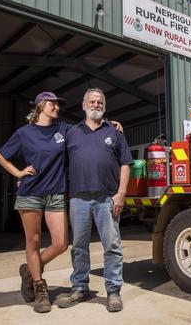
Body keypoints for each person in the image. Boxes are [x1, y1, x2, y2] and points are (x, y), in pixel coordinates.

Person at [58, 88, 133, 312]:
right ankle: (80, 288)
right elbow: (56, 160)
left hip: (107, 198)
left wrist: (121, 193)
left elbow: (126, 163)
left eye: (100, 102)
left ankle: (113, 291)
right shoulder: (71, 132)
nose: (96, 104)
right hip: (78, 198)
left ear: (104, 106)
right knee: (79, 246)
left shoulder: (115, 131)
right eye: (92, 101)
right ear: (83, 105)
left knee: (112, 245)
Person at [0, 91, 70, 313]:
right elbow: (1, 156)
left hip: (56, 192)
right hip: (31, 193)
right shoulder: (24, 133)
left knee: (61, 243)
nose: (56, 107)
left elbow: (86, 129)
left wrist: (108, 123)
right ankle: (39, 287)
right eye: (52, 104)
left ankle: (28, 270)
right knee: (33, 242)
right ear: (40, 107)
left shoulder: (63, 130)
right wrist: (18, 173)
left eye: (58, 104)